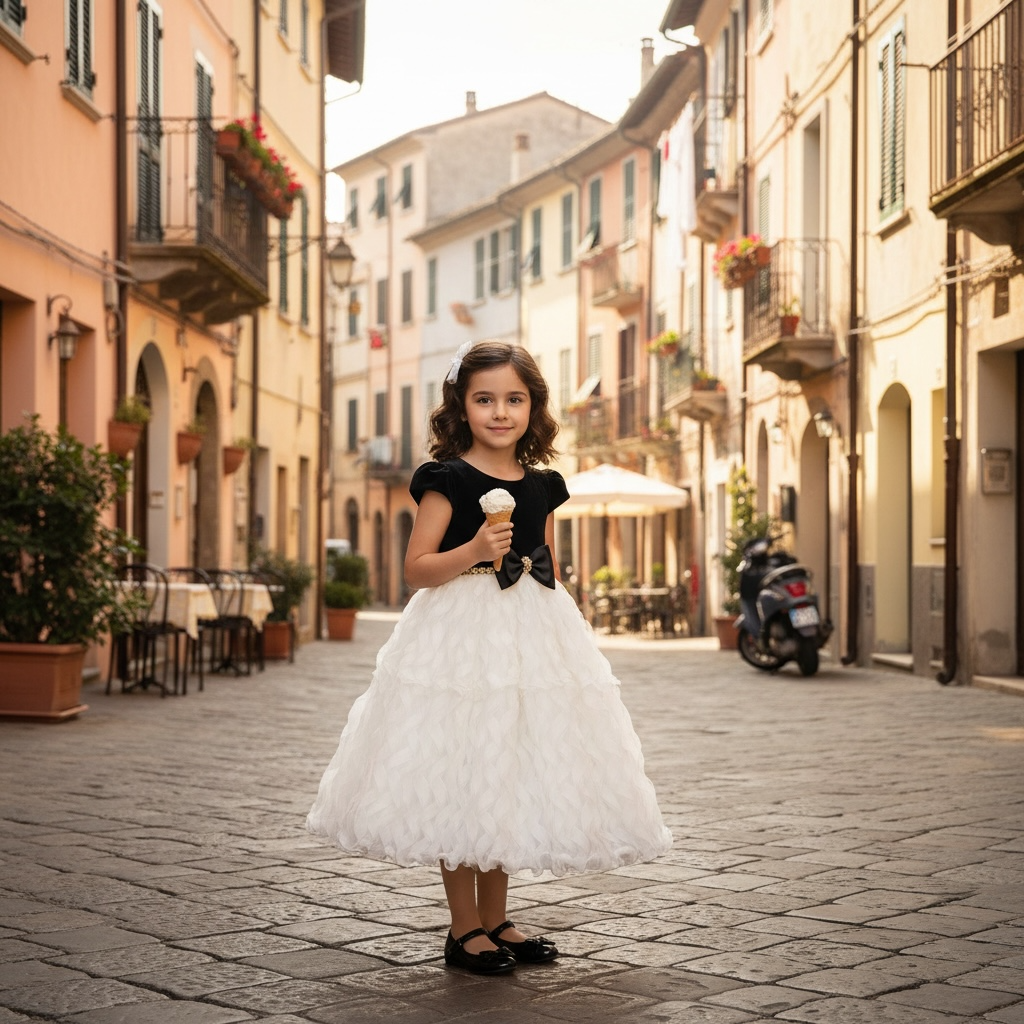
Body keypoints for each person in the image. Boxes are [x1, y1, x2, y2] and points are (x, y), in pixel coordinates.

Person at [306, 340, 672, 975]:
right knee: (463, 765)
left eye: (514, 399)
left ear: (533, 407)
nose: (500, 412)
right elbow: (417, 570)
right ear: (462, 406)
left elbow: (543, 564)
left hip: (532, 634)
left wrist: (572, 636)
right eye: (485, 400)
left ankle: (498, 919)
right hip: (459, 636)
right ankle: (462, 928)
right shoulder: (446, 480)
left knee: (508, 767)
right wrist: (476, 546)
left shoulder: (543, 486)